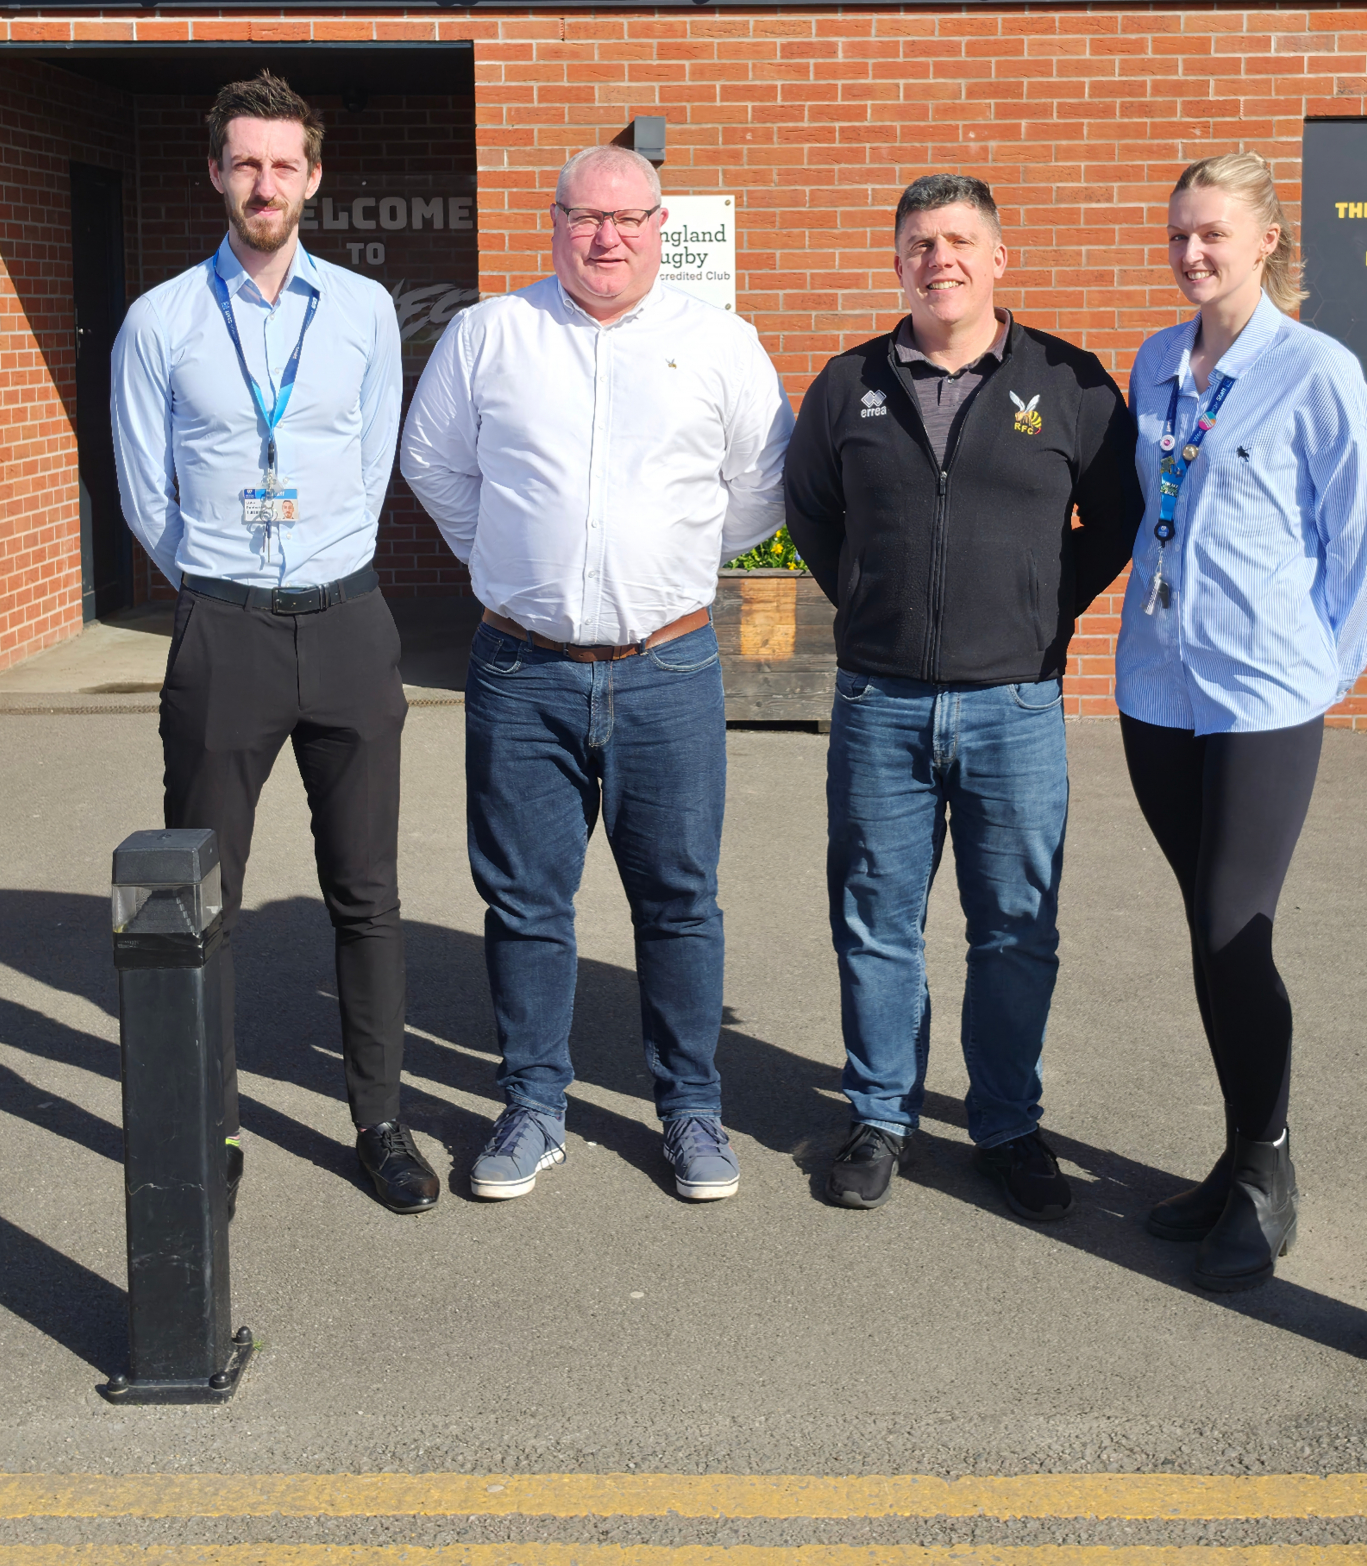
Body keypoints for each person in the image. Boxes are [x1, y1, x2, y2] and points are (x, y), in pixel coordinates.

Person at [399, 141, 792, 1204]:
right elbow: (430, 458)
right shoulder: (491, 334)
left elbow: (761, 481)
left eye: (628, 218)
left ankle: (691, 1110)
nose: (605, 236)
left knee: (679, 901)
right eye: (585, 217)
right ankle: (532, 1103)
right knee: (526, 900)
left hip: (669, 666)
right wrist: (504, 556)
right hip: (521, 669)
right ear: (556, 223)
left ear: (661, 227)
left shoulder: (719, 343)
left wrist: (673, 563)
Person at [110, 72, 438, 1217]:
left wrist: (316, 557)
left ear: (312, 175)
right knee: (206, 896)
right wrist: (226, 576)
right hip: (225, 627)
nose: (265, 183)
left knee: (368, 892)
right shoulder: (159, 321)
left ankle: (380, 1118)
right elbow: (145, 492)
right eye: (245, 163)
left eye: (284, 164)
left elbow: (373, 454)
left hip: (347, 621)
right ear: (215, 173)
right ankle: (215, 1122)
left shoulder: (356, 311)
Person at [784, 172, 1140, 1221]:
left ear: (996, 258)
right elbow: (811, 512)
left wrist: (1043, 608)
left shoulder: (1069, 383)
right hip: (879, 704)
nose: (938, 259)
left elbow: (1112, 519)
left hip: (1015, 708)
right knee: (876, 922)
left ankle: (1005, 1124)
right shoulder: (847, 384)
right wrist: (868, 597)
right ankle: (879, 1115)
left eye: (958, 240)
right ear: (897, 263)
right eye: (918, 244)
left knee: (1014, 931)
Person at [1115, 151, 1367, 1292]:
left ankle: (1269, 1167)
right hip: (1157, 686)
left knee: (1238, 926)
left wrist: (1321, 671)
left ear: (1266, 241)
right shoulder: (1155, 361)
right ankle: (1236, 1151)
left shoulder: (1318, 371)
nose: (1192, 252)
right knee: (1205, 928)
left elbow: (1365, 540)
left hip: (1262, 695)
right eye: (1179, 233)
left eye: (1213, 234)